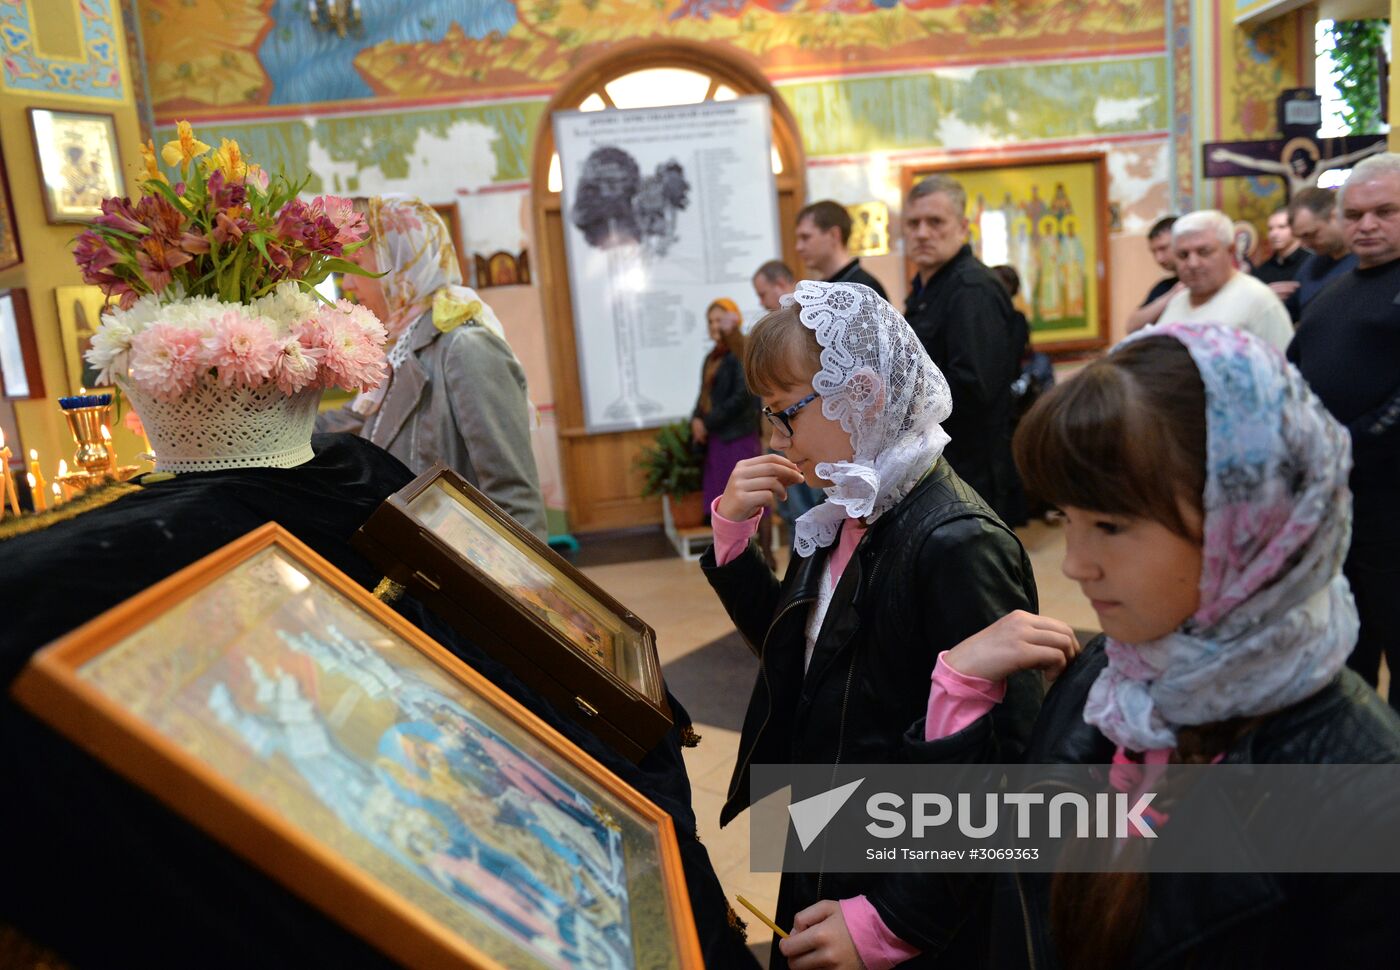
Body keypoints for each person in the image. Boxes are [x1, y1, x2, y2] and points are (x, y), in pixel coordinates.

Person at [920, 323, 1400, 967]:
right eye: (1069, 520)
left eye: (1112, 525)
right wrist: (959, 706)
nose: (1076, 565)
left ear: (1251, 525)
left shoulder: (1362, 792)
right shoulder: (1114, 672)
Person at [701, 280, 1043, 969]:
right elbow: (805, 656)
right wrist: (734, 542)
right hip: (832, 821)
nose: (775, 438)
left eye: (784, 414)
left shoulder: (956, 540)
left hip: (902, 877)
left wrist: (892, 921)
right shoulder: (848, 501)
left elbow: (1005, 766)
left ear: (863, 394)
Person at [317, 196, 548, 541]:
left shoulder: (465, 347)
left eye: (355, 264)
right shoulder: (399, 348)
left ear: (399, 261)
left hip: (461, 573)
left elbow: (514, 497)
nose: (347, 284)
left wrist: (516, 591)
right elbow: (352, 422)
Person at [1289, 152, 1400, 714]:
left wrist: (1346, 446)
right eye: (1355, 214)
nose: (1367, 225)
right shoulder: (1335, 290)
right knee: (1345, 639)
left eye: (1386, 211)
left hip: (1391, 502)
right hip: (1337, 505)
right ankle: (1355, 755)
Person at [902, 174, 1022, 523]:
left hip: (970, 470)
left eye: (935, 221)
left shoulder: (971, 289)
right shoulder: (928, 287)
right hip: (940, 464)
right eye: (914, 223)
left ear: (963, 227)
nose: (922, 232)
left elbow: (973, 389)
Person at [1152, 210, 1293, 351]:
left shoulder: (1259, 301)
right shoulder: (1177, 301)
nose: (1193, 263)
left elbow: (1284, 369)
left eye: (1204, 252)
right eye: (1183, 255)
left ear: (1230, 250)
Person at [752, 259, 824, 524]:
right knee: (796, 512)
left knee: (808, 510)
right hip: (793, 432)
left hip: (805, 438)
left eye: (762, 294)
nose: (761, 302)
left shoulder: (812, 326)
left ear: (781, 284)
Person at [690, 298, 761, 521]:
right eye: (710, 321)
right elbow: (703, 395)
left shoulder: (740, 353)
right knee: (722, 502)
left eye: (719, 320)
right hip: (718, 439)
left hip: (738, 437)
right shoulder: (712, 357)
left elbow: (743, 396)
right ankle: (729, 553)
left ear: (734, 320)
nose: (714, 326)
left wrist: (707, 422)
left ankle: (763, 553)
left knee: (750, 500)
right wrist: (695, 420)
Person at [793, 200, 889, 299]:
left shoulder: (865, 289)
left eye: (805, 237)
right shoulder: (824, 286)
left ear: (834, 235)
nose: (798, 247)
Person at [1288, 186, 1357, 315]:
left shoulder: (1366, 261)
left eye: (1311, 234)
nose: (1305, 244)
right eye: (1301, 237)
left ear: (1335, 216)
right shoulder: (1310, 266)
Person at [1124, 216, 1182, 333]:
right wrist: (1173, 294)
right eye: (1154, 252)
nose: (1158, 259)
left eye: (1163, 248)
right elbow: (1132, 326)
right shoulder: (1165, 286)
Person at [1250, 206, 1308, 315]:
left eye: (1282, 227)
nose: (1274, 234)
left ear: (1295, 229)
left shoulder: (1311, 263)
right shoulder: (1262, 270)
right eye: (1270, 229)